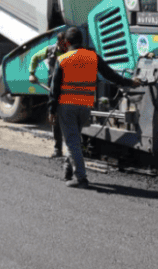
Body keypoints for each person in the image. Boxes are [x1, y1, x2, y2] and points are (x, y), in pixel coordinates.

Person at [48, 27, 140, 188]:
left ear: (67, 42)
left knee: (72, 142)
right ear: (81, 41)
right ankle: (68, 171)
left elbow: (54, 88)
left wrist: (51, 110)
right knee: (74, 139)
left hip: (67, 106)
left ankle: (81, 178)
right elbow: (111, 75)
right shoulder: (93, 57)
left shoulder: (63, 59)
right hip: (85, 106)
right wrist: (130, 82)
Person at [28, 35, 70, 158]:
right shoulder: (50, 50)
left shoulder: (72, 52)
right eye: (60, 43)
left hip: (69, 89)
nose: (61, 45)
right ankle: (58, 149)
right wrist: (32, 73)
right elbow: (35, 58)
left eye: (64, 43)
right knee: (55, 118)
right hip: (54, 89)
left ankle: (72, 151)